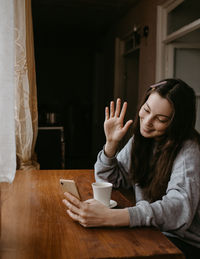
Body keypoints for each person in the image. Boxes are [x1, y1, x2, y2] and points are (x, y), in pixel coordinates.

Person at [63, 78, 200, 258]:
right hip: (150, 228)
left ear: (176, 124)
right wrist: (111, 144)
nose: (148, 122)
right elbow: (111, 181)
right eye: (146, 110)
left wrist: (111, 217)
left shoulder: (189, 149)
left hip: (182, 242)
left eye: (161, 119)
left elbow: (178, 209)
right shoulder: (142, 139)